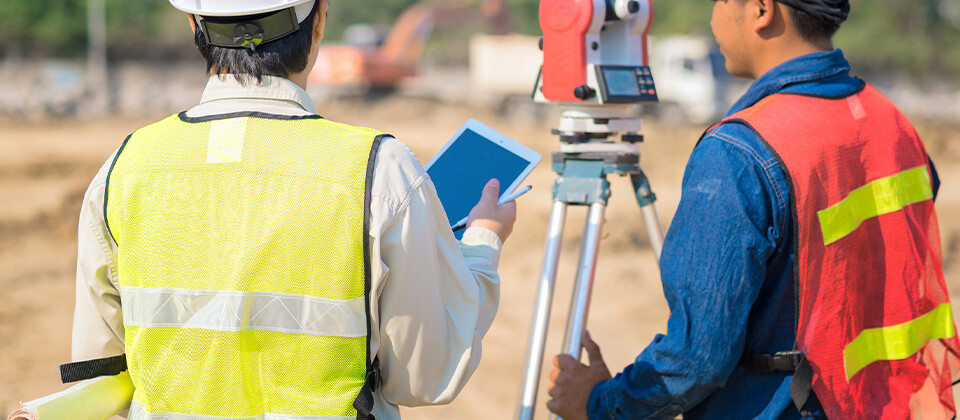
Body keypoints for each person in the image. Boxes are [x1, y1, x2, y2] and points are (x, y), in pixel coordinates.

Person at [68, 1, 516, 419]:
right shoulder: (379, 169)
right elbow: (425, 376)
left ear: (194, 25)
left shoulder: (123, 168)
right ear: (319, 19)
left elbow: (97, 377)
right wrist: (481, 243)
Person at [547, 0, 960, 419]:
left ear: (761, 9)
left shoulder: (738, 154)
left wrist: (598, 402)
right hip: (882, 405)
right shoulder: (890, 120)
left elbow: (695, 360)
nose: (712, 18)